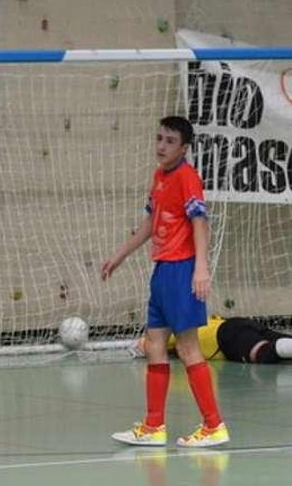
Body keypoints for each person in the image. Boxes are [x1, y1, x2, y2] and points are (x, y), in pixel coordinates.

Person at [102, 116, 228, 448]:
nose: (161, 146)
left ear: (184, 148)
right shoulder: (159, 176)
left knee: (187, 347)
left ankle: (214, 426)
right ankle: (154, 426)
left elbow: (200, 223)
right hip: (161, 271)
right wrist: (120, 255)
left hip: (181, 270)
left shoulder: (188, 178)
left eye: (170, 141)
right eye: (159, 138)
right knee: (153, 345)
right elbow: (150, 222)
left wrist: (201, 268)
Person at [133, 316, 292, 364]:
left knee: (263, 353)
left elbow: (144, 345)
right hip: (240, 325)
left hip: (226, 335)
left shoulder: (179, 331)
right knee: (280, 344)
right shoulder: (200, 320)